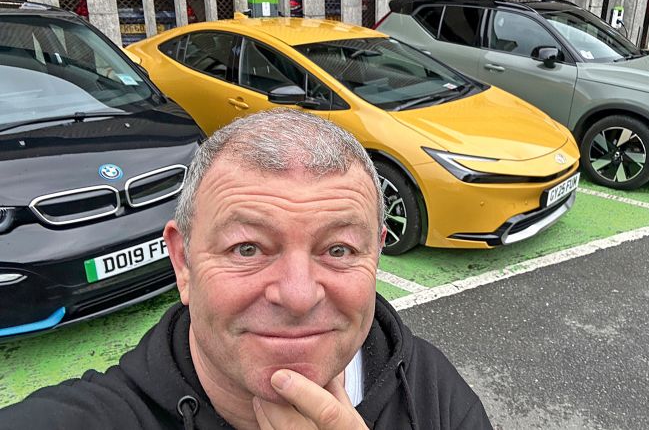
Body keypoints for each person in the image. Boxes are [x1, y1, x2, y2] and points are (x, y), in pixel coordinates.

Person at [0, 109, 492, 429]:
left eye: (339, 250)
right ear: (183, 262)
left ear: (376, 256)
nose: (297, 296)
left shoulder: (431, 391)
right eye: (247, 249)